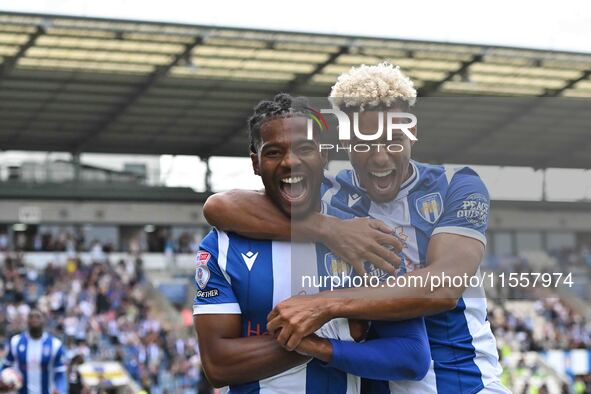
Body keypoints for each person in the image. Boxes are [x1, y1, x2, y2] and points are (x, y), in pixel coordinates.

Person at [204, 63, 508, 393]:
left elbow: (443, 287)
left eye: (392, 140)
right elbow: (221, 206)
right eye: (365, 142)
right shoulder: (332, 195)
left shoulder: (458, 185)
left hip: (464, 385)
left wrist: (325, 305)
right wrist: (331, 230)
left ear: (412, 132)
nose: (379, 157)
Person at [192, 93, 431, 393]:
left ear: (324, 154)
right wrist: (342, 331)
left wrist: (321, 344)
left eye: (305, 148)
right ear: (255, 162)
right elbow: (218, 365)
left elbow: (412, 356)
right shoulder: (223, 246)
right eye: (274, 152)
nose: (290, 161)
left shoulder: (366, 238)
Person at [1, 309, 66, 394]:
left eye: (38, 317)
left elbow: (60, 373)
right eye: (31, 317)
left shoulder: (55, 344)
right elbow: (6, 366)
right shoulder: (16, 341)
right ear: (27, 321)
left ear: (44, 320)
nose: (34, 319)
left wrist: (59, 389)